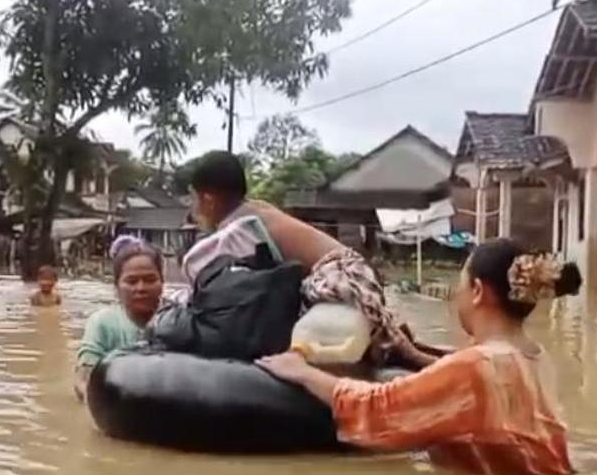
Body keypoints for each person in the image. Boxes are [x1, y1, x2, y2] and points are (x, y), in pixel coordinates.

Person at [256, 239, 582, 475]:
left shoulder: (475, 367)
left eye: (462, 285)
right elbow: (478, 392)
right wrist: (416, 355)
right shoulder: (535, 357)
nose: (458, 296)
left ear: (479, 291)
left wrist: (300, 372)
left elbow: (378, 408)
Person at [182, 151, 435, 368]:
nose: (192, 208)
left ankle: (401, 352)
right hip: (356, 274)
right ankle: (401, 347)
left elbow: (197, 268)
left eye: (193, 198)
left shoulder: (241, 226)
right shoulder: (257, 209)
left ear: (208, 199)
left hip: (341, 276)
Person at [74, 236, 164, 400]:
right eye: (131, 281)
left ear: (162, 283)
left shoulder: (177, 320)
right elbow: (84, 378)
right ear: (116, 287)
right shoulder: (103, 323)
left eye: (150, 280)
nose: (141, 288)